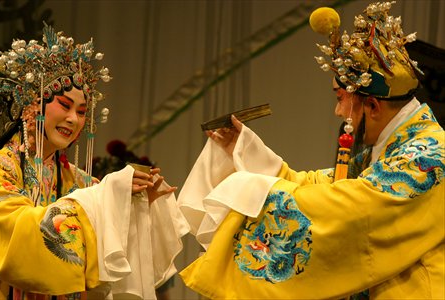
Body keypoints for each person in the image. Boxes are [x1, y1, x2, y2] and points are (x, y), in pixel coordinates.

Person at [177, 2, 444, 299]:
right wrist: (244, 151)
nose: (338, 111)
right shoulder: (392, 152)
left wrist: (255, 192)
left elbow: (352, 209)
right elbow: (321, 185)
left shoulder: (429, 157)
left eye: (342, 99)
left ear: (372, 105)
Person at [0, 23, 189, 299]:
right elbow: (20, 236)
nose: (74, 119)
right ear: (30, 106)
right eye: (64, 105)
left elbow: (110, 258)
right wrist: (108, 196)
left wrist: (137, 205)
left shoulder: (83, 183)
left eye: (82, 111)